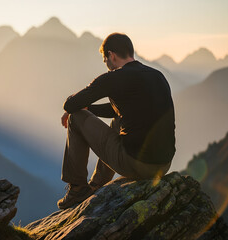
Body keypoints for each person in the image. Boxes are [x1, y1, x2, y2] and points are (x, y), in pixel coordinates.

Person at [57, 33, 175, 209]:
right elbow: (121, 109)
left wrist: (74, 109)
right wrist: (89, 109)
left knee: (75, 118)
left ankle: (77, 190)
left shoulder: (113, 77)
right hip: (163, 164)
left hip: (138, 164)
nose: (107, 66)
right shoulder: (156, 75)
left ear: (111, 55)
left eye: (105, 61)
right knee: (118, 119)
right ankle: (97, 185)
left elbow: (71, 103)